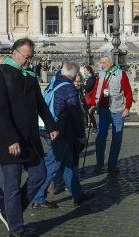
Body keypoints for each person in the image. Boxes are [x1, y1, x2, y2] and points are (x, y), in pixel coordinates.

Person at [0, 38, 59, 237]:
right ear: (15, 53)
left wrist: (52, 125)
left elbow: (41, 105)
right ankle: (16, 231)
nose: (29, 61)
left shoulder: (29, 76)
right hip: (10, 141)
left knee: (39, 175)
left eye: (31, 57)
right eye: (27, 57)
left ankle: (10, 212)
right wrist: (10, 139)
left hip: (30, 139)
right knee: (12, 187)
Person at [32, 62, 93, 208]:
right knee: (53, 164)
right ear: (76, 74)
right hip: (62, 131)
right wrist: (81, 135)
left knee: (69, 164)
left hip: (50, 127)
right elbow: (76, 114)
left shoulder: (55, 82)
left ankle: (77, 195)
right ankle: (38, 198)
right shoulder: (69, 88)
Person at [89, 55, 133, 175]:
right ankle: (99, 163)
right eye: (101, 62)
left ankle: (112, 164)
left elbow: (128, 92)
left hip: (118, 110)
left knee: (117, 139)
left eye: (103, 63)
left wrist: (127, 108)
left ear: (110, 63)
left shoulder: (121, 74)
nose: (101, 65)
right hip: (103, 110)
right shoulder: (101, 74)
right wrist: (93, 104)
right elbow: (96, 90)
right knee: (101, 136)